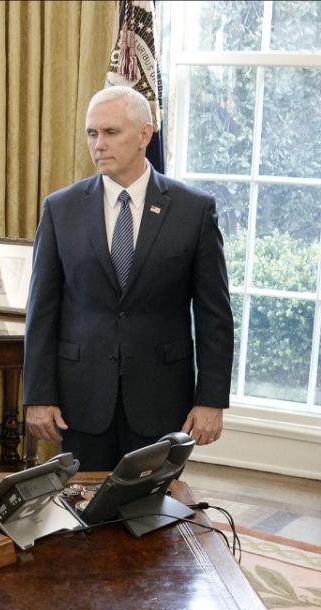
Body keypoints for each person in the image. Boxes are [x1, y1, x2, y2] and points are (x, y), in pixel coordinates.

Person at [23, 85, 233, 471]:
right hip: (80, 398)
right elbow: (42, 310)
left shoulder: (194, 210)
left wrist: (212, 399)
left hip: (162, 396)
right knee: (83, 518)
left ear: (144, 135)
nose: (98, 144)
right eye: (91, 133)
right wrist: (37, 393)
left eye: (110, 132)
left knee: (152, 516)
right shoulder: (60, 209)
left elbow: (214, 315)